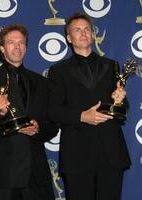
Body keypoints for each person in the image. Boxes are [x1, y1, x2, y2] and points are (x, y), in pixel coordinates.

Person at [48, 12, 131, 200]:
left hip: (111, 152)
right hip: (77, 153)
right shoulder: (58, 71)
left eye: (87, 29)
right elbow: (53, 111)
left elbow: (122, 107)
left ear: (93, 35)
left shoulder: (112, 66)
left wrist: (120, 100)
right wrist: (82, 116)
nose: (83, 33)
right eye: (77, 30)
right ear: (69, 38)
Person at [0, 24, 57, 200]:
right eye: (11, 43)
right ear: (2, 48)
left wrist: (38, 128)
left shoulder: (41, 82)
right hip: (6, 175)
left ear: (26, 47)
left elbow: (53, 126)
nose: (17, 47)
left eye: (21, 43)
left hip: (37, 173)